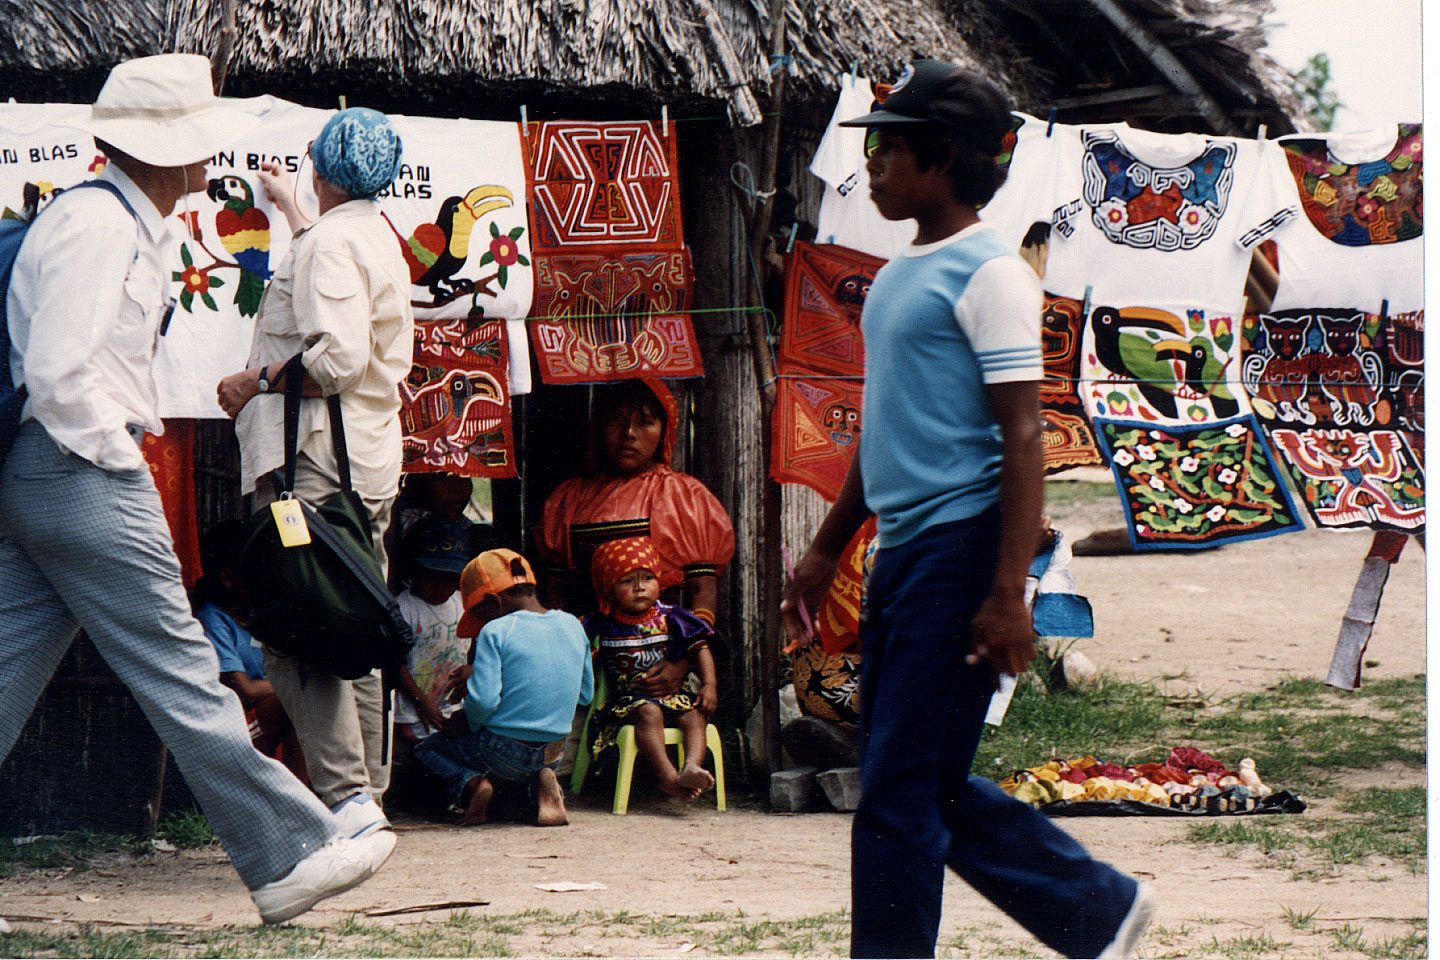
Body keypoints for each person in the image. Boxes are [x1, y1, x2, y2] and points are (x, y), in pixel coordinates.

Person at [0, 53, 392, 925]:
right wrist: (116, 459)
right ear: (165, 149)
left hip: (47, 470)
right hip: (80, 467)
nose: (210, 162)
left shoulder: (116, 222)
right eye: (199, 144)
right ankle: (290, 853)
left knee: (6, 662)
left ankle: (288, 845)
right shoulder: (98, 227)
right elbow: (63, 372)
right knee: (180, 666)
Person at [780, 60, 1153, 959]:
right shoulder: (904, 272)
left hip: (961, 551)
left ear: (941, 160)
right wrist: (830, 546)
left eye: (890, 148)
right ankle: (1096, 908)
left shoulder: (993, 276)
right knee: (916, 778)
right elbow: (884, 425)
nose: (871, 165)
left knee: (897, 796)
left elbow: (1022, 439)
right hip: (902, 554)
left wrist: (1007, 592)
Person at [217, 106, 413, 840]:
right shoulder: (364, 235)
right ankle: (369, 795)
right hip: (357, 461)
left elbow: (335, 358)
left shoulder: (332, 243)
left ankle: (347, 802)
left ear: (324, 168)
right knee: (351, 617)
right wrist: (289, 205)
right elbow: (325, 280)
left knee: (301, 625)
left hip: (315, 467)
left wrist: (255, 381)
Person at [537, 378, 734, 758]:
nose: (629, 434)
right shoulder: (569, 499)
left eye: (645, 422)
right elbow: (556, 593)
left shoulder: (684, 497)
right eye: (615, 420)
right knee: (556, 756)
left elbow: (701, 591)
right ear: (597, 427)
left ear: (666, 431)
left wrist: (680, 660)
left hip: (665, 656)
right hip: (589, 654)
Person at [413, 549, 593, 826]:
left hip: (500, 752)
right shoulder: (573, 625)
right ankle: (544, 782)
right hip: (554, 751)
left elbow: (483, 703)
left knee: (428, 749)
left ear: (493, 601)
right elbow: (585, 695)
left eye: (480, 615)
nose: (481, 624)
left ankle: (473, 784)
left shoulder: (495, 631)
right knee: (512, 793)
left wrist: (469, 723)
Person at [582, 536, 718, 800]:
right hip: (629, 702)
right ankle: (666, 776)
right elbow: (576, 645)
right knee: (648, 712)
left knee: (695, 715)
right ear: (608, 588)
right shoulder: (601, 623)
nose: (639, 587)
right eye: (627, 581)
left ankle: (691, 766)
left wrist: (709, 685)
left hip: (673, 697)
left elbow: (700, 647)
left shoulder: (671, 616)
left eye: (647, 578)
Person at [194, 520, 308, 783]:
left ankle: (302, 795)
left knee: (297, 701)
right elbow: (244, 690)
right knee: (288, 697)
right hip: (234, 730)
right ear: (227, 579)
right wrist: (289, 684)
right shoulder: (213, 618)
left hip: (265, 720)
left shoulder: (261, 616)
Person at [393, 515, 470, 745]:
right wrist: (421, 701)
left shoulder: (462, 603)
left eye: (449, 578)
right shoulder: (404, 608)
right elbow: (395, 664)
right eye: (431, 576)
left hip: (453, 707)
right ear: (413, 570)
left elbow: (473, 646)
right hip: (413, 710)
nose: (440, 585)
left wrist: (472, 669)